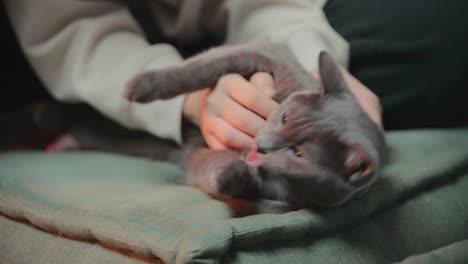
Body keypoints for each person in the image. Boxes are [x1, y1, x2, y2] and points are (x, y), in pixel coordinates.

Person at [5, 0, 382, 151]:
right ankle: (89, 116)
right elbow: (76, 31)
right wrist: (192, 99)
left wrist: (310, 59)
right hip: (74, 53)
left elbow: (272, 6)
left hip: (235, 39)